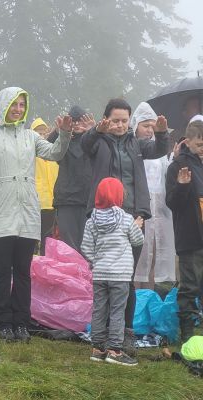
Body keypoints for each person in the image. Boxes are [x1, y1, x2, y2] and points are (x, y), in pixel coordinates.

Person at [0, 86, 72, 343]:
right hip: (1, 204)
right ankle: (4, 320)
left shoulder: (31, 137)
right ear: (5, 106)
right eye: (13, 104)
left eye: (21, 105)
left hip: (27, 207)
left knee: (24, 270)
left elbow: (55, 153)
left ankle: (22, 321)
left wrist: (64, 133)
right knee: (3, 269)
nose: (18, 109)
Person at [82, 98, 168, 355]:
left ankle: (124, 334)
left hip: (133, 218)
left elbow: (159, 149)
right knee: (104, 278)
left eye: (124, 120)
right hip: (104, 218)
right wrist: (97, 130)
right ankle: (102, 336)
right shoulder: (98, 140)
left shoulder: (136, 143)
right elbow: (85, 145)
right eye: (115, 120)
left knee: (125, 278)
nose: (120, 125)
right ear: (106, 119)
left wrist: (162, 132)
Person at [82, 177, 144, 366]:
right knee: (117, 311)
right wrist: (137, 226)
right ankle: (115, 350)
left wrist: (96, 261)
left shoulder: (91, 220)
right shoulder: (125, 219)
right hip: (120, 275)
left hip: (100, 274)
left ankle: (98, 348)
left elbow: (85, 247)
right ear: (119, 197)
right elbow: (138, 241)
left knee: (99, 309)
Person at [130, 102, 176, 287]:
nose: (149, 130)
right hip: (138, 212)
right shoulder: (132, 151)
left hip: (159, 214)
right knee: (136, 258)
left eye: (152, 126)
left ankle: (148, 300)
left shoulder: (161, 155)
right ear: (135, 127)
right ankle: (133, 304)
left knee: (154, 258)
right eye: (145, 126)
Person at [166, 120, 203, 343]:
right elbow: (171, 203)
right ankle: (187, 333)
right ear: (188, 142)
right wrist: (181, 185)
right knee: (189, 286)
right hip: (190, 237)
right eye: (200, 143)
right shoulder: (177, 166)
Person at [48, 106, 94, 252]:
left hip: (88, 201)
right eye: (74, 122)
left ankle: (87, 275)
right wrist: (59, 131)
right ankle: (72, 275)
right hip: (66, 200)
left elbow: (106, 149)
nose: (77, 125)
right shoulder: (64, 141)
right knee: (69, 246)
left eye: (81, 121)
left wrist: (93, 132)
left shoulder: (91, 141)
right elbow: (48, 147)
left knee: (88, 245)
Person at [32, 118, 59, 255]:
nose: (41, 136)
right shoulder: (31, 154)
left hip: (52, 202)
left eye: (43, 133)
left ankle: (44, 263)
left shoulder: (53, 154)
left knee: (47, 237)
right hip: (36, 202)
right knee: (32, 238)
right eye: (38, 133)